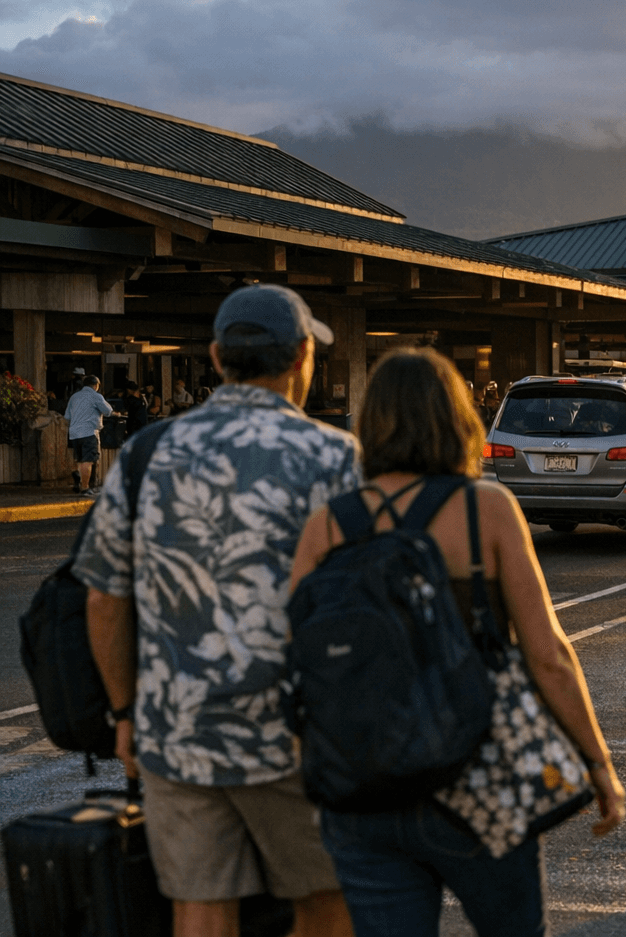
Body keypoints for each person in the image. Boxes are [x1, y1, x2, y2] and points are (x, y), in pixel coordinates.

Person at [288, 348, 625, 936]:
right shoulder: (486, 509)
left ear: (371, 425)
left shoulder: (330, 522)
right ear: (457, 420)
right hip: (479, 776)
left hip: (366, 784)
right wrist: (597, 764)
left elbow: (295, 660)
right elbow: (548, 656)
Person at [78, 285, 360, 937]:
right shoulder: (333, 456)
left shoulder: (149, 454)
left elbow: (102, 596)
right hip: (298, 735)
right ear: (300, 361)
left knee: (201, 908)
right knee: (326, 900)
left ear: (214, 356)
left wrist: (125, 715)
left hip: (179, 730)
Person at [64, 374, 114, 495]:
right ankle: (85, 488)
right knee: (88, 460)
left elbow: (67, 417)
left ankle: (82, 482)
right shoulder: (96, 396)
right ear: (96, 385)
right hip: (89, 432)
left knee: (80, 460)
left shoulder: (74, 397)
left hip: (74, 433)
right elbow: (108, 411)